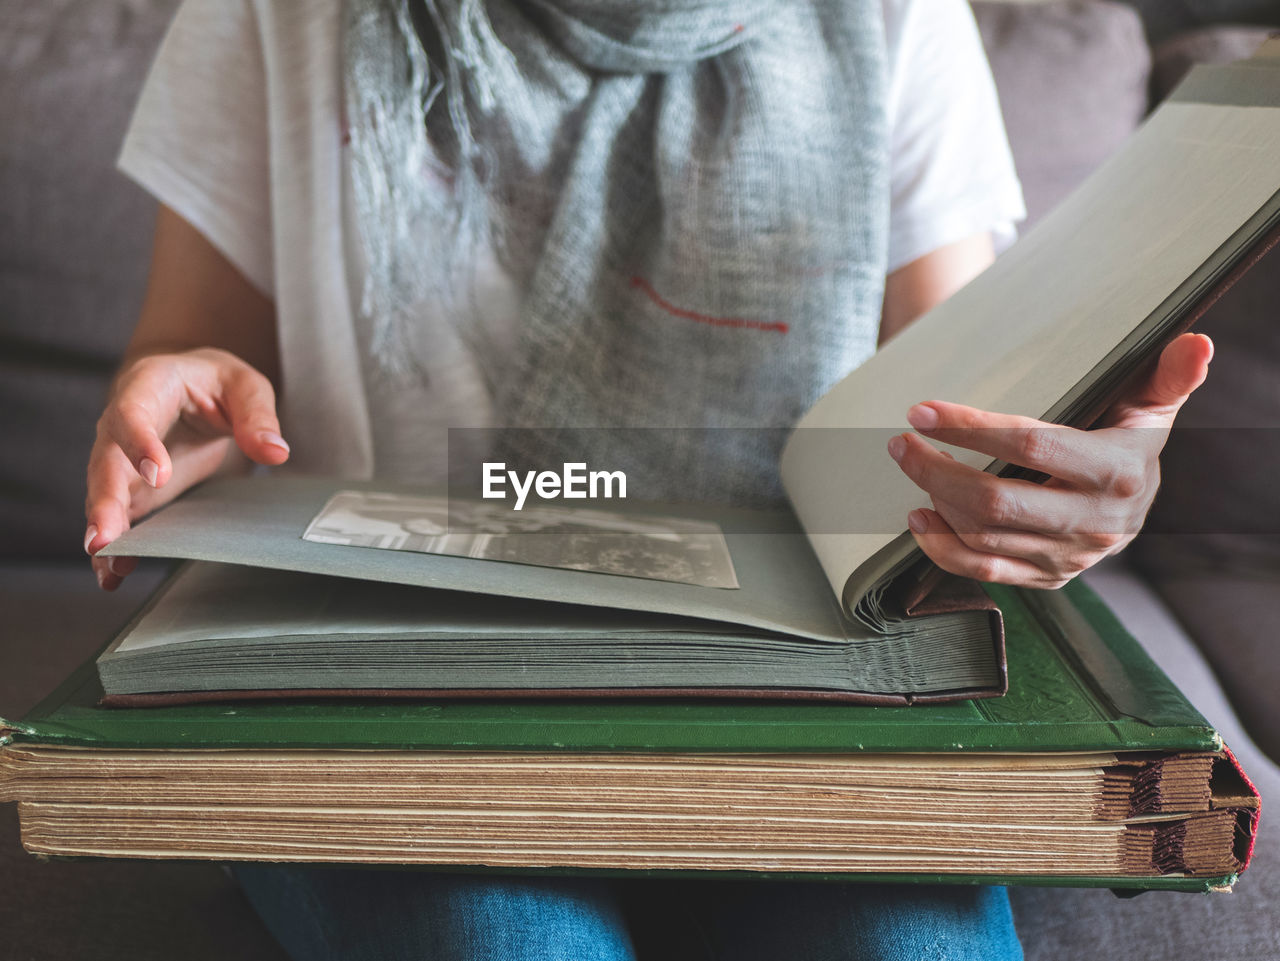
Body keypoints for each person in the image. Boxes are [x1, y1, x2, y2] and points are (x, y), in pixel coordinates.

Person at [81, 0, 1213, 958]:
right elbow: (195, 358)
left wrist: (1065, 482)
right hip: (379, 689)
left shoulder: (895, 16)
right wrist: (177, 418)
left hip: (798, 693)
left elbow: (961, 425)